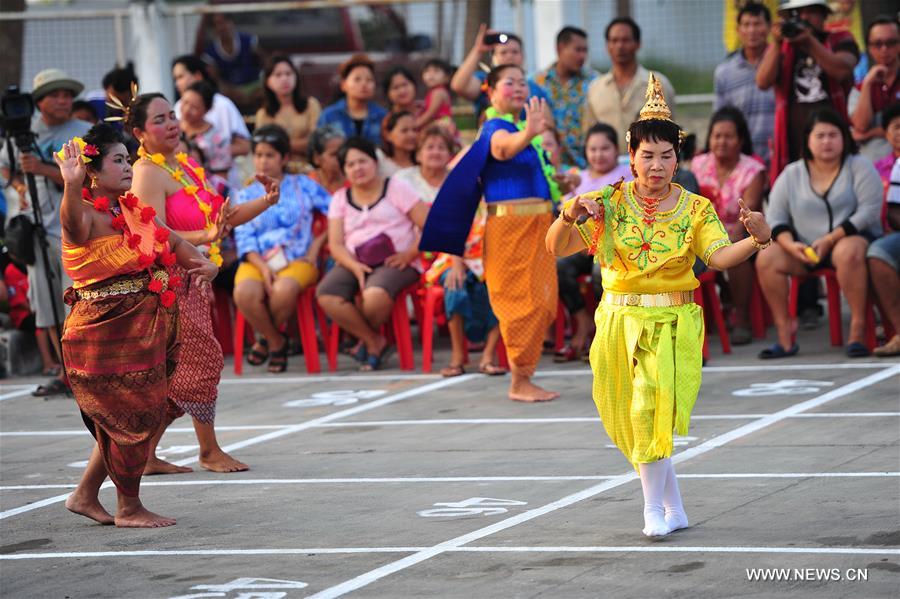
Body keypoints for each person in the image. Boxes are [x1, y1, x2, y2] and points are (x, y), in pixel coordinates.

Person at [546, 75, 772, 538]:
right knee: (626, 415)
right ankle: (675, 506)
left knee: (651, 407)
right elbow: (556, 247)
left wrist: (755, 240)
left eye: (666, 156)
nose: (656, 165)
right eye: (647, 156)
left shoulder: (695, 208)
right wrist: (568, 213)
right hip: (616, 319)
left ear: (677, 159)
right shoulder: (608, 201)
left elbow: (717, 257)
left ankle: (651, 512)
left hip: (671, 320)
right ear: (631, 158)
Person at [55, 125, 217, 527]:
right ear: (93, 170)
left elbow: (174, 242)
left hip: (144, 327)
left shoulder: (130, 210)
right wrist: (71, 186)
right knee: (126, 415)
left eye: (128, 159)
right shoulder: (86, 214)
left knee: (129, 414)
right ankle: (128, 507)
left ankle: (84, 495)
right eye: (118, 160)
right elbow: (72, 228)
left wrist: (205, 263)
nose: (128, 166)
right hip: (101, 330)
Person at [129, 93, 278, 474]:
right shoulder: (147, 172)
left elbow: (221, 221)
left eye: (171, 116)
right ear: (139, 133)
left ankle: (145, 455)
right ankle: (208, 451)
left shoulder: (185, 166)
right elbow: (154, 234)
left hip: (195, 277)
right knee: (202, 360)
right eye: (159, 119)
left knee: (182, 369)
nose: (172, 124)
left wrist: (265, 201)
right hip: (171, 282)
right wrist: (204, 237)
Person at [422, 64, 559, 402]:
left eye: (522, 82)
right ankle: (519, 380)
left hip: (539, 224)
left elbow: (530, 169)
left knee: (543, 303)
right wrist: (528, 133)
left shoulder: (523, 132)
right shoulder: (494, 126)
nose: (518, 87)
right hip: (510, 227)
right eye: (508, 82)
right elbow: (501, 149)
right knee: (517, 304)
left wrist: (560, 182)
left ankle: (525, 375)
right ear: (491, 91)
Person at [757, 107, 882, 359]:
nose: (827, 141)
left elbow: (869, 211)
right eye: (820, 135)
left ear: (844, 138)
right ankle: (785, 334)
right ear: (807, 140)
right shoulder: (792, 173)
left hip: (851, 239)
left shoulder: (859, 166)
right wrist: (791, 245)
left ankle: (858, 328)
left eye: (833, 135)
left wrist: (831, 238)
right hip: (805, 247)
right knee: (767, 257)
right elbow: (776, 216)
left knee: (848, 251)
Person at [0, 68, 91, 397]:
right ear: (38, 102)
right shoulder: (23, 130)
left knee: (74, 298)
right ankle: (65, 369)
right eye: (55, 95)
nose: (63, 100)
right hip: (35, 228)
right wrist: (23, 184)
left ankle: (85, 365)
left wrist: (45, 170)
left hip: (73, 228)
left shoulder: (84, 131)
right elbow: (7, 168)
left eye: (67, 94)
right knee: (46, 302)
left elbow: (91, 179)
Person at [315, 137, 430, 371]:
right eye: (350, 164)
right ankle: (373, 340)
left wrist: (409, 254)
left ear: (375, 162)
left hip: (397, 260)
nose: (357, 168)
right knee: (327, 293)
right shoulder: (340, 198)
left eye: (362, 161)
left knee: (375, 294)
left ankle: (366, 343)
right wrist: (354, 266)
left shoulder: (396, 188)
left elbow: (429, 225)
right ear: (344, 170)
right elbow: (336, 244)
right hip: (355, 260)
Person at [232, 125, 331, 373]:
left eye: (270, 155)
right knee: (244, 292)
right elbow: (244, 236)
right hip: (256, 260)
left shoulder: (304, 185)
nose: (263, 161)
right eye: (259, 155)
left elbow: (338, 213)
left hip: (299, 258)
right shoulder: (245, 195)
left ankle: (264, 341)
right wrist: (263, 267)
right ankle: (277, 342)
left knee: (283, 289)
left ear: (284, 158)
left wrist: (316, 246)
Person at [756, 0, 859, 182]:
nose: (804, 18)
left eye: (811, 12)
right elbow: (762, 81)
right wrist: (778, 43)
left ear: (824, 15)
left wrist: (810, 42)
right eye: (797, 13)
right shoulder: (783, 47)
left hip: (834, 135)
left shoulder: (840, 39)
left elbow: (841, 70)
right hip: (794, 139)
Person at [555, 123, 633, 363]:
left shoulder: (627, 175)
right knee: (559, 267)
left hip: (617, 245)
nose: (598, 155)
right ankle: (582, 321)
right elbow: (564, 213)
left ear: (616, 149)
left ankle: (606, 332)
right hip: (584, 242)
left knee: (601, 273)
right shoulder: (578, 178)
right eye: (593, 149)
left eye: (604, 148)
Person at [690, 107, 767, 344]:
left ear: (740, 140)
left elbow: (750, 212)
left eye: (729, 136)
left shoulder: (753, 170)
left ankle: (741, 317)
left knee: (735, 250)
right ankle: (707, 315)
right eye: (717, 136)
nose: (721, 141)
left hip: (739, 233)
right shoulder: (697, 164)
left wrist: (727, 237)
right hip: (700, 234)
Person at [583, 17, 676, 156]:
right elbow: (590, 133)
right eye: (614, 40)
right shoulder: (595, 88)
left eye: (625, 40)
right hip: (609, 170)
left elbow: (670, 130)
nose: (620, 46)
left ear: (638, 44)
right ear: (607, 46)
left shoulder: (657, 84)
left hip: (650, 167)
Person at [714, 2, 776, 164]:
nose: (752, 30)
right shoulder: (724, 72)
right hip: (742, 162)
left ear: (769, 27)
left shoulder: (783, 62)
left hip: (779, 155)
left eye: (757, 24)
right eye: (746, 25)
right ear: (738, 30)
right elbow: (720, 119)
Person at [450, 24, 552, 121]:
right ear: (493, 58)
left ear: (523, 56)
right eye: (503, 52)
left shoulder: (534, 87)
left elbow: (547, 122)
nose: (509, 56)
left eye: (515, 52)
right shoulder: (486, 81)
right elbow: (458, 86)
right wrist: (478, 50)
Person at [534, 26, 599, 169]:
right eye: (577, 50)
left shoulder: (595, 82)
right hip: (549, 167)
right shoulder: (537, 82)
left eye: (585, 50)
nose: (582, 56)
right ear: (560, 49)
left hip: (588, 166)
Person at [171, 55, 251, 163]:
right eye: (175, 79)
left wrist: (212, 152)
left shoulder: (223, 105)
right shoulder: (177, 106)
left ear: (197, 76)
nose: (177, 84)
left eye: (180, 77)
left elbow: (245, 146)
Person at [867, 102, 900, 356]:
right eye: (896, 127)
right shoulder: (879, 168)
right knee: (877, 252)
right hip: (889, 233)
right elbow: (893, 213)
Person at [254, 55, 322, 167]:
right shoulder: (263, 114)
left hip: (309, 167)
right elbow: (263, 148)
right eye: (278, 75)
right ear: (267, 82)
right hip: (276, 171)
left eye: (288, 73)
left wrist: (279, 145)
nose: (284, 79)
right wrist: (300, 144)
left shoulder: (311, 105)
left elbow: (315, 142)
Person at [849, 15, 899, 161]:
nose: (884, 49)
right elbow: (861, 126)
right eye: (878, 44)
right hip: (874, 167)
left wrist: (873, 133)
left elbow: (863, 133)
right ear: (869, 48)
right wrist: (868, 84)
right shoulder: (861, 87)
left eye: (891, 42)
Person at [317, 54, 388, 147]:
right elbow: (319, 147)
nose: (364, 84)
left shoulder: (383, 116)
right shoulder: (329, 116)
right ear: (343, 85)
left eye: (369, 79)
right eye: (357, 79)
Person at [200, 13, 264, 113]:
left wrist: (260, 88)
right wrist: (231, 92)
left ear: (232, 23)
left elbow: (265, 64)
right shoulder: (210, 52)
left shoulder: (248, 41)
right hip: (230, 90)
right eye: (217, 24)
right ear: (213, 29)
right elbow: (216, 80)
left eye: (224, 22)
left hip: (254, 87)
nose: (222, 27)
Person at [179, 81, 233, 188]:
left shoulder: (217, 139)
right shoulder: (172, 128)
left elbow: (221, 180)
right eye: (185, 102)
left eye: (194, 107)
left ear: (207, 110)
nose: (186, 110)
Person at [416, 58, 457, 137]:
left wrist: (417, 123)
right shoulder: (434, 91)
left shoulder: (438, 92)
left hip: (442, 123)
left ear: (446, 77)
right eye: (427, 71)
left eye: (436, 71)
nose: (431, 75)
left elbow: (430, 113)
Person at [307, 126, 346, 194]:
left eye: (344, 152)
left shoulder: (355, 181)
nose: (341, 157)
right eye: (334, 154)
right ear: (316, 158)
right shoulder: (308, 183)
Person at [378, 111, 417, 176]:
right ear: (388, 135)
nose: (412, 135)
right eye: (404, 130)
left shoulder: (423, 161)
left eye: (415, 130)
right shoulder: (379, 159)